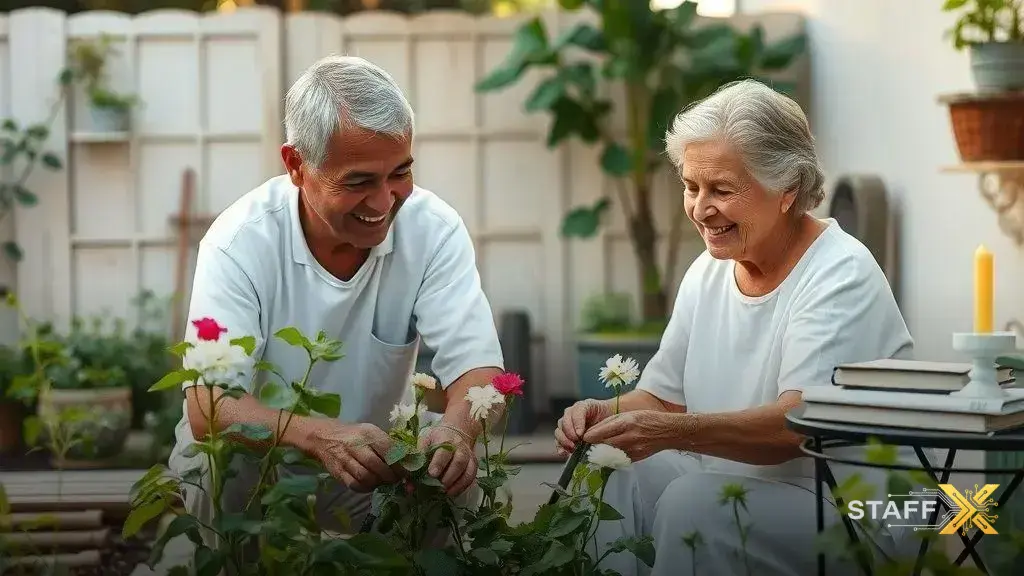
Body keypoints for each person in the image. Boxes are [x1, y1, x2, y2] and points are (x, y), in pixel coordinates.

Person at [554, 79, 918, 576]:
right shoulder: (709, 270)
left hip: (856, 513)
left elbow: (797, 426)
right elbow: (664, 400)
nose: (701, 208)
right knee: (606, 461)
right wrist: (607, 414)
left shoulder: (839, 273)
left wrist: (669, 431)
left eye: (722, 190)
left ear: (787, 190)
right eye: (691, 187)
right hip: (739, 487)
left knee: (693, 505)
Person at [167, 55, 504, 541]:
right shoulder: (239, 242)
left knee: (452, 473)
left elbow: (480, 370)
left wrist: (455, 433)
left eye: (400, 173)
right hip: (266, 464)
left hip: (373, 462)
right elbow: (209, 406)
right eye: (359, 181)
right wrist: (320, 437)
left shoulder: (433, 230)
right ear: (296, 165)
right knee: (218, 462)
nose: (384, 201)